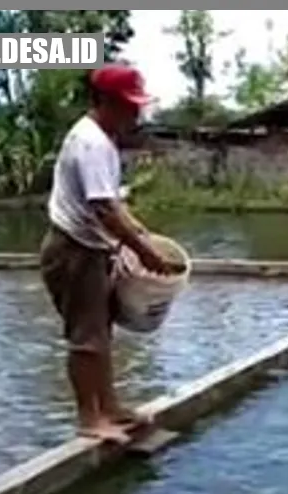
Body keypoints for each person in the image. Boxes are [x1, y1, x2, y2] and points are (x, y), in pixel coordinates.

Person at [40, 63, 179, 443]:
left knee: (101, 334)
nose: (135, 114)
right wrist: (144, 252)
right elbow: (102, 209)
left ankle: (110, 406)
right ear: (104, 102)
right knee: (86, 339)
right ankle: (90, 418)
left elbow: (115, 205)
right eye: (128, 105)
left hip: (90, 247)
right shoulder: (92, 144)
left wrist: (139, 233)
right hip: (74, 250)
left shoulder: (101, 138)